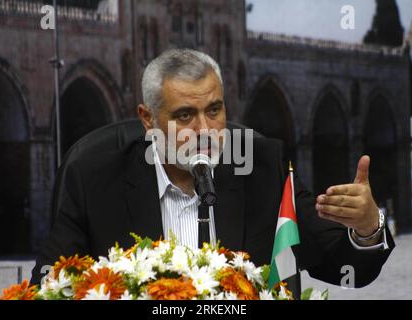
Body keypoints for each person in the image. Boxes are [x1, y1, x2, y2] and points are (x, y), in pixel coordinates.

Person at [31, 49, 394, 288]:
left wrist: (367, 227)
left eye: (215, 111)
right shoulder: (94, 176)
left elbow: (346, 269)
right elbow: (48, 285)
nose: (205, 130)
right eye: (185, 115)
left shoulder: (261, 167)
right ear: (148, 119)